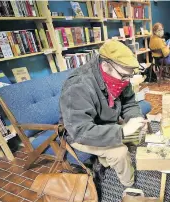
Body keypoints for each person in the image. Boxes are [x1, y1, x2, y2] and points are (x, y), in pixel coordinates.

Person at [59, 40, 150, 187]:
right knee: (120, 152)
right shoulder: (78, 86)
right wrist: (122, 131)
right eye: (124, 76)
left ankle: (101, 161)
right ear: (106, 66)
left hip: (107, 123)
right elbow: (80, 131)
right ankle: (130, 186)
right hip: (80, 133)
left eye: (130, 76)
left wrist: (136, 119)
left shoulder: (120, 76)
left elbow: (129, 102)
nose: (127, 81)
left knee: (138, 133)